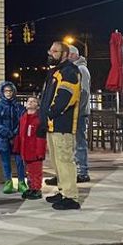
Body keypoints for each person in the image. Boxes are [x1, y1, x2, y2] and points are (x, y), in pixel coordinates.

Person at [38, 42, 83, 210]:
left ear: (64, 54)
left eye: (55, 51)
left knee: (65, 161)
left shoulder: (69, 71)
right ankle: (63, 190)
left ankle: (71, 196)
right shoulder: (56, 71)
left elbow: (66, 98)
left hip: (62, 124)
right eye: (50, 50)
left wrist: (49, 113)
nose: (51, 53)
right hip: (52, 124)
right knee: (57, 162)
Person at [0, 81, 26, 194]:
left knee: (20, 160)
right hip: (3, 138)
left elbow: (23, 120)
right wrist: (7, 133)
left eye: (10, 91)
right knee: (5, 161)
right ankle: (8, 181)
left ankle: (21, 181)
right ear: (2, 92)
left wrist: (15, 132)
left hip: (17, 137)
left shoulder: (18, 106)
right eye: (6, 91)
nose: (8, 93)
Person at [68, 46, 92, 183]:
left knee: (79, 142)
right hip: (77, 112)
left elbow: (84, 92)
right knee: (75, 142)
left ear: (72, 55)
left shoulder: (81, 69)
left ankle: (82, 171)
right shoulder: (76, 69)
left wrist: (77, 110)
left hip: (79, 113)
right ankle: (77, 170)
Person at [15, 96, 46, 199]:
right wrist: (18, 147)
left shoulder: (38, 119)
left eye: (33, 101)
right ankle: (31, 187)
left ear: (37, 106)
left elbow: (41, 137)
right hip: (25, 150)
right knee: (28, 171)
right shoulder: (23, 118)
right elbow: (20, 134)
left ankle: (37, 188)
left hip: (35, 151)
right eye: (29, 101)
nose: (30, 103)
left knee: (36, 171)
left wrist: (40, 152)